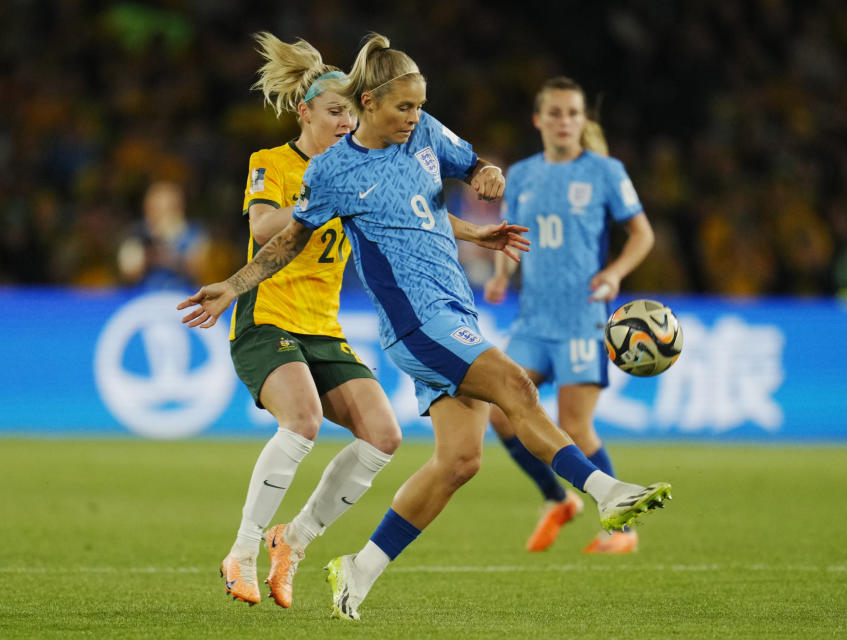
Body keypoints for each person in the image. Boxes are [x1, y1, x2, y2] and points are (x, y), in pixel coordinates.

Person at [178, 33, 672, 621]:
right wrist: (233, 286)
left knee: (460, 461)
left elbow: (456, 178)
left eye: (419, 104)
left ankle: (357, 569)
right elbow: (287, 239)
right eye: (402, 107)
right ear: (367, 104)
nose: (415, 117)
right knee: (516, 387)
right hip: (417, 323)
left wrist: (486, 176)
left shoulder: (427, 134)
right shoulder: (334, 170)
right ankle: (605, 493)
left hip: (454, 308)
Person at [213, 32, 405, 609]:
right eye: (336, 111)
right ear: (306, 112)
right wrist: (323, 199)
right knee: (303, 420)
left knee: (384, 435)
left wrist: (476, 236)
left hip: (322, 327)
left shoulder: (362, 172)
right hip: (266, 317)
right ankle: (241, 553)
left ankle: (292, 542)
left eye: (353, 111)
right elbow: (266, 228)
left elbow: (411, 222)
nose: (347, 122)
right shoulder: (270, 163)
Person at [483, 77, 656, 554]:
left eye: (573, 113)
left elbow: (642, 234)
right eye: (555, 113)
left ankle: (622, 531)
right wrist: (500, 273)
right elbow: (510, 234)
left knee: (574, 427)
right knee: (500, 414)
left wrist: (616, 272)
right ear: (539, 120)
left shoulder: (605, 171)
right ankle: (557, 499)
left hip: (583, 318)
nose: (564, 122)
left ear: (584, 121)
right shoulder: (520, 175)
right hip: (533, 320)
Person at [117, 180, 209, 290]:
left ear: (179, 209)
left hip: (184, 298)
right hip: (145, 299)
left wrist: (167, 254)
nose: (158, 215)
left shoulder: (194, 234)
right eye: (154, 208)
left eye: (165, 209)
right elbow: (128, 272)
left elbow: (202, 270)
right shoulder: (136, 234)